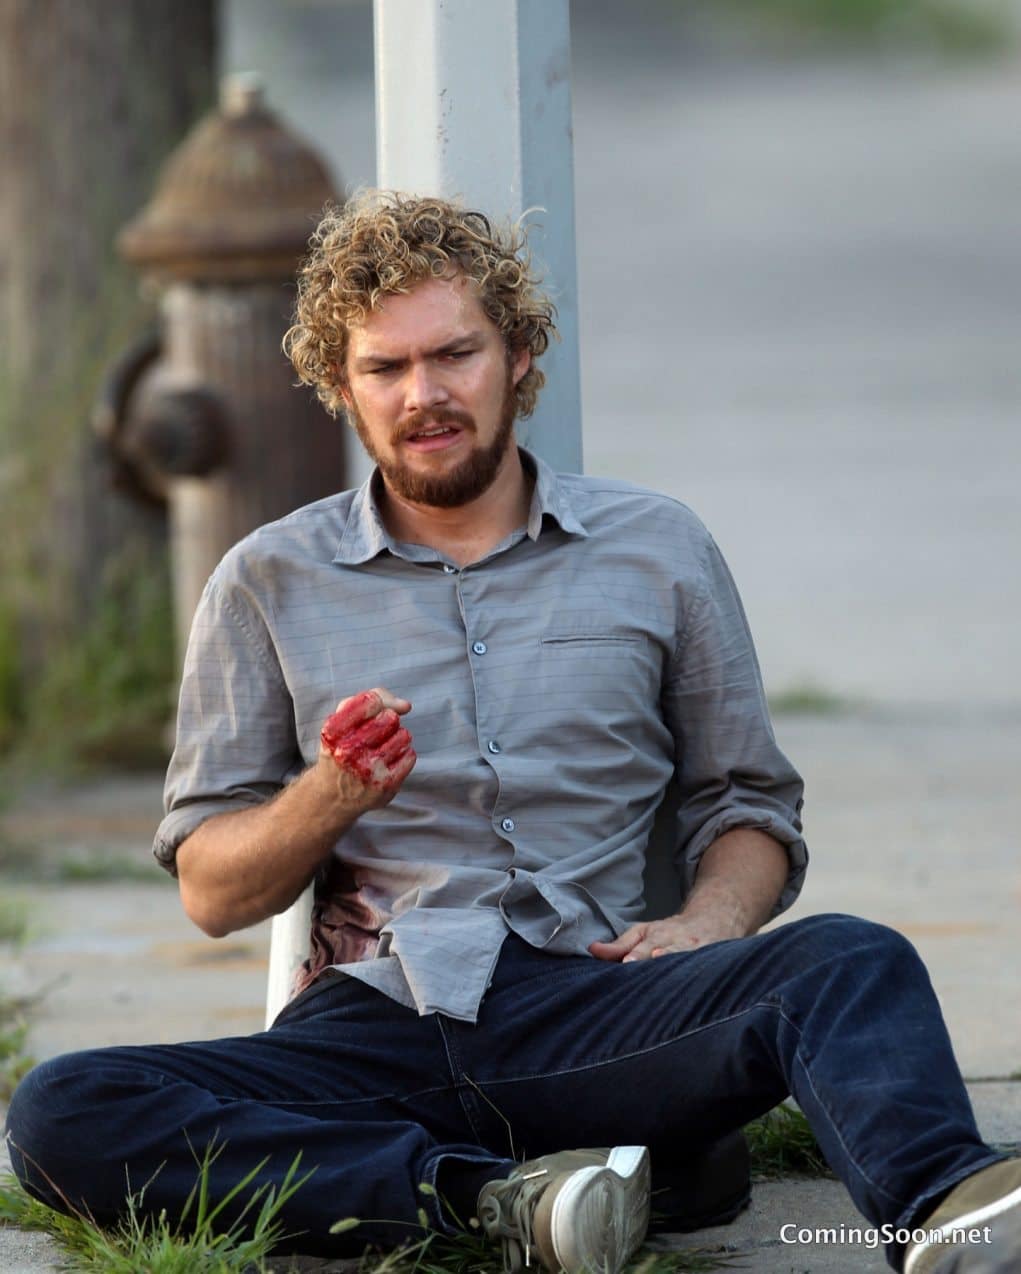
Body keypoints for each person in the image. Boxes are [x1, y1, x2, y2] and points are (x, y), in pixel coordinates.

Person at [5, 191, 1020, 1274]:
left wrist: (707, 922)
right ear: (340, 388)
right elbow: (212, 889)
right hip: (375, 1019)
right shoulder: (266, 579)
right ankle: (503, 1201)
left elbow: (749, 805)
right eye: (384, 369)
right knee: (67, 1105)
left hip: (600, 1007)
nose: (424, 395)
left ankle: (950, 1221)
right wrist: (330, 795)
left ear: (520, 355)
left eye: (454, 355)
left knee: (850, 961)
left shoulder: (657, 548)